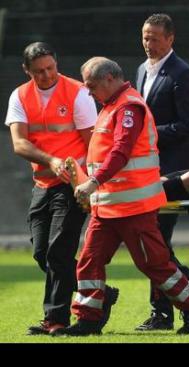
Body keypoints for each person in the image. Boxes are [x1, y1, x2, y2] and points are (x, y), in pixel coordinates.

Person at [53, 57, 189, 336]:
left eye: (92, 86)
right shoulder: (112, 105)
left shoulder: (129, 107)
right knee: (90, 259)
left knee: (153, 263)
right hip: (110, 205)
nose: (89, 92)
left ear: (110, 79)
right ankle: (89, 319)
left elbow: (121, 152)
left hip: (133, 206)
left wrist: (93, 182)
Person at [4, 42, 115, 335]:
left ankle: (56, 318)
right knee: (42, 253)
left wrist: (90, 183)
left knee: (57, 252)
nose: (47, 75)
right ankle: (99, 293)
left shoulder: (77, 92)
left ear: (57, 63)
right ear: (27, 71)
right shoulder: (20, 95)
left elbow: (94, 141)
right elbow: (19, 143)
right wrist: (51, 160)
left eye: (51, 68)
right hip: (43, 184)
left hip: (73, 185)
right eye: (39, 71)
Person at [134, 13, 189, 331]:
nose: (148, 43)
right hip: (147, 170)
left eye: (154, 37)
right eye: (144, 36)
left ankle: (163, 313)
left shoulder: (183, 72)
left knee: (155, 242)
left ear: (170, 38)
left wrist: (148, 133)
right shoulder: (141, 70)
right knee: (155, 243)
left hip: (173, 171)